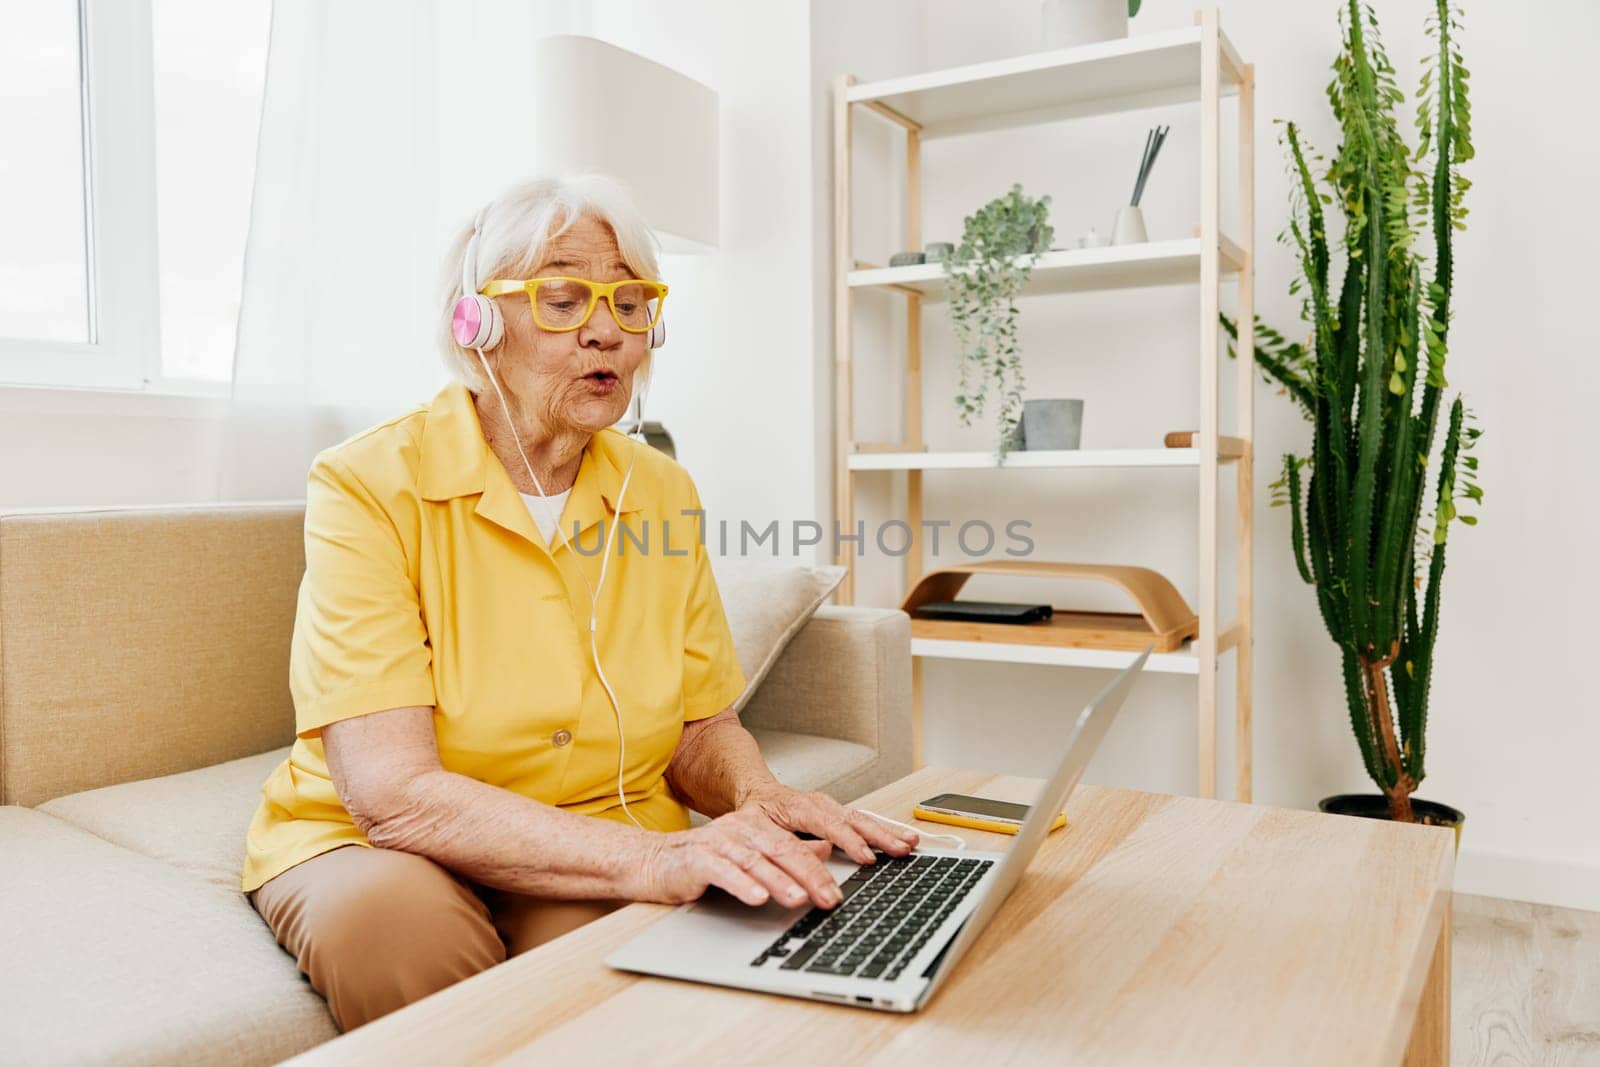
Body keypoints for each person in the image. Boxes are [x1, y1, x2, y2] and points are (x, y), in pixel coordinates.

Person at [240, 174, 917, 1031]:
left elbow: (701, 727)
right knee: (399, 935)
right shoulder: (367, 482)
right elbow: (394, 791)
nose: (607, 329)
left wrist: (758, 799)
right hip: (376, 838)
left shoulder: (661, 490)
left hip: (592, 817)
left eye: (630, 302)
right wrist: (654, 855)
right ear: (475, 321)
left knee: (633, 965)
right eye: (563, 299)